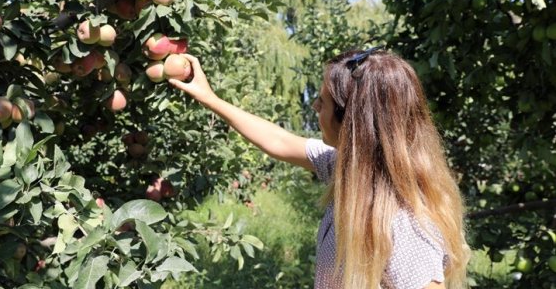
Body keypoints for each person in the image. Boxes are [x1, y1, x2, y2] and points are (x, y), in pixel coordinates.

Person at [168, 48, 470, 289]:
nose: (314, 107)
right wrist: (208, 97)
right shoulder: (348, 171)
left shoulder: (404, 222)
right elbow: (278, 140)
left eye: (322, 101)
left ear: (352, 122)